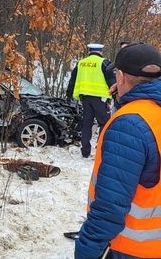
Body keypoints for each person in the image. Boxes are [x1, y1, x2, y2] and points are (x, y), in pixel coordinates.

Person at [74, 43, 161, 259]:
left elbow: (110, 206)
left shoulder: (129, 125)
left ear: (120, 77)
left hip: (135, 249)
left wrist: (87, 250)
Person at [66, 43, 115, 158]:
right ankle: (101, 149)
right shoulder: (104, 63)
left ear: (89, 51)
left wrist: (69, 95)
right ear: (101, 52)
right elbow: (111, 81)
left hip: (85, 98)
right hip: (100, 99)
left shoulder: (81, 63)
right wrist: (115, 96)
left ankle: (85, 151)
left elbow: (72, 81)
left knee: (86, 125)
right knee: (104, 123)